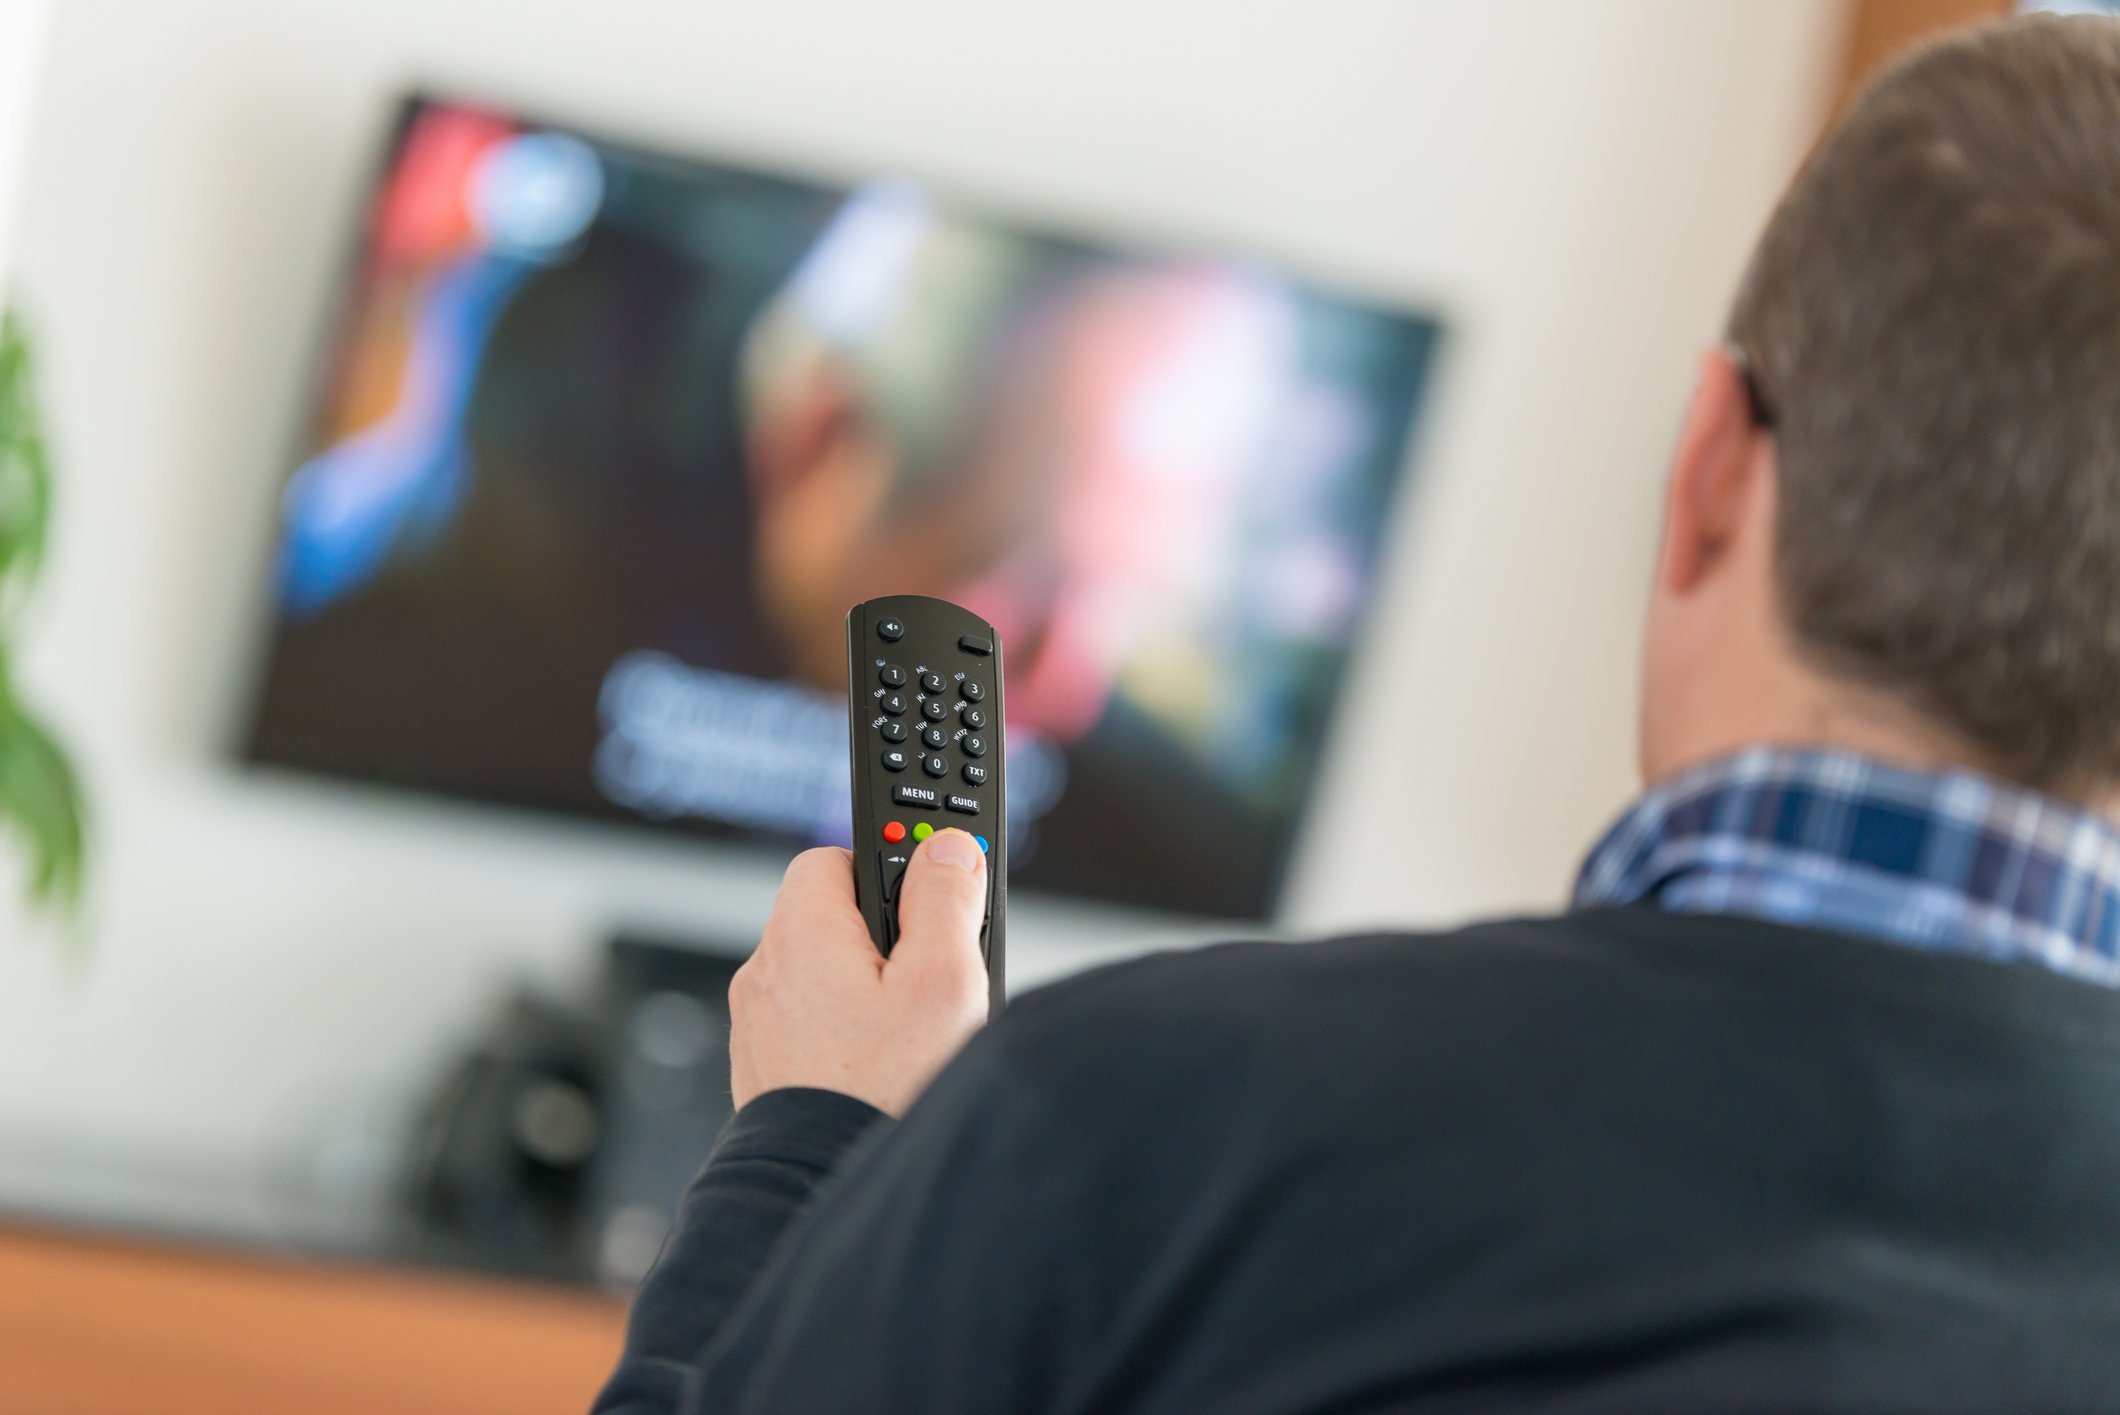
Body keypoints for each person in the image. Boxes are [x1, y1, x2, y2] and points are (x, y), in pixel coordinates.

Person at [593, 15, 2120, 1412]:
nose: (1065, 682)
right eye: (1029, 577)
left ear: (1709, 469)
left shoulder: (1136, 1126)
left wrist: (819, 1147)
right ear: (809, 442)